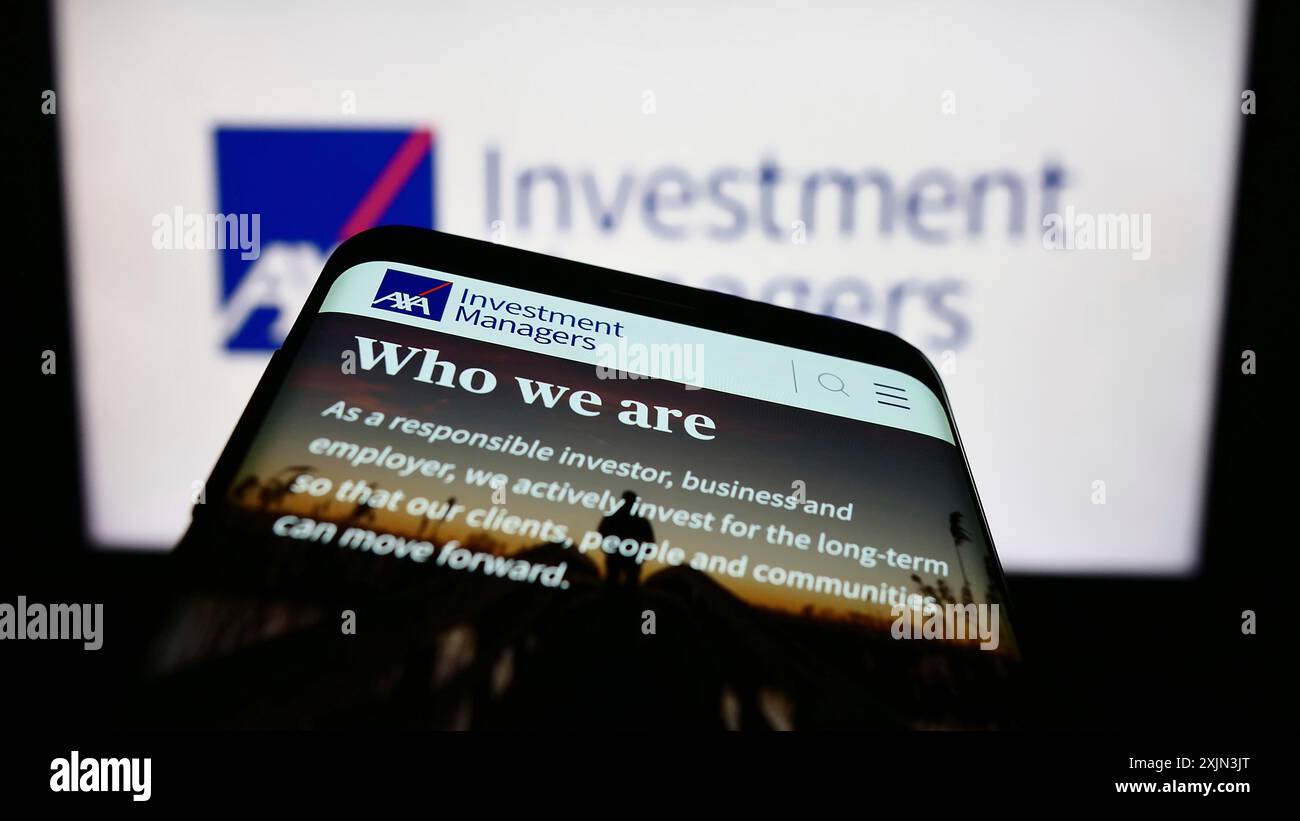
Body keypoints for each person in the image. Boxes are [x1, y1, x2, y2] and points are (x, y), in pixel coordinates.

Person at [598, 490, 653, 589]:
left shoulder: (641, 521)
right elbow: (601, 533)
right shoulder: (613, 518)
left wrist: (642, 556)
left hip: (631, 560)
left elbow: (650, 542)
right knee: (612, 584)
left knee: (628, 586)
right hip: (617, 558)